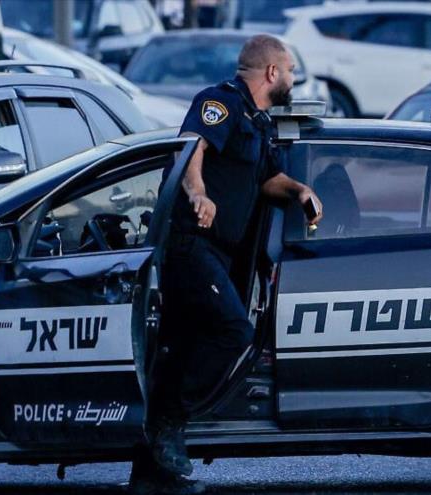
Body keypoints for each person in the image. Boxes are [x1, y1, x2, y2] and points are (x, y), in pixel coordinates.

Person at [129, 34, 323, 495]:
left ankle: (153, 475)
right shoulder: (220, 102)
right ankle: (168, 420)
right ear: (272, 72)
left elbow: (268, 177)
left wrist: (299, 192)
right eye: (291, 70)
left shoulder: (257, 121)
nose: (294, 79)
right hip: (191, 245)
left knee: (178, 347)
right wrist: (197, 193)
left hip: (220, 254)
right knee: (234, 332)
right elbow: (192, 148)